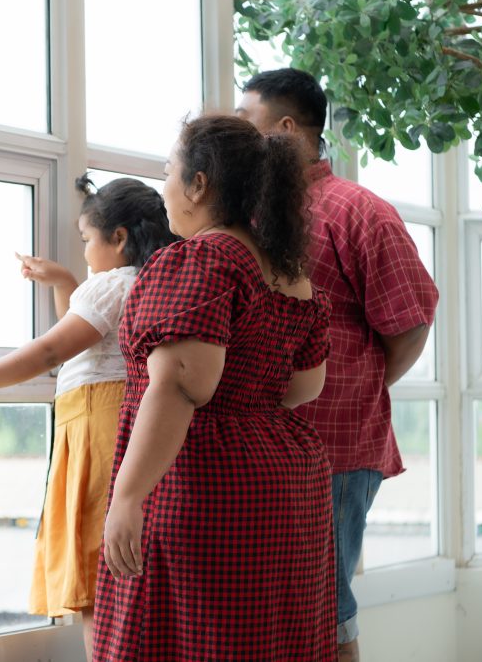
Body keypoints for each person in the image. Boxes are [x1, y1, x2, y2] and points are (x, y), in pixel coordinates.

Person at [92, 114, 336, 661]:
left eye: (168, 171)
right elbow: (303, 387)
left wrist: (128, 497)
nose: (164, 187)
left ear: (199, 184)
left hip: (206, 482)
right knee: (266, 640)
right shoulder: (290, 274)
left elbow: (180, 385)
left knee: (187, 639)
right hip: (286, 485)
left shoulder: (203, 258)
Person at [237, 67, 440, 662]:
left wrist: (358, 386)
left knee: (327, 610)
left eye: (248, 122)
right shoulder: (249, 214)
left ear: (286, 128)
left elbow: (410, 323)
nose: (241, 136)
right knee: (279, 611)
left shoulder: (359, 212)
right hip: (263, 445)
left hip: (336, 447)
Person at [0, 173, 178, 660]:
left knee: (96, 565)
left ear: (118, 239)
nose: (85, 251)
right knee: (119, 563)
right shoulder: (150, 280)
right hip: (122, 422)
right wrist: (66, 283)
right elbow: (89, 344)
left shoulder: (110, 285)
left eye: (86, 241)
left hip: (97, 424)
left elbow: (52, 350)